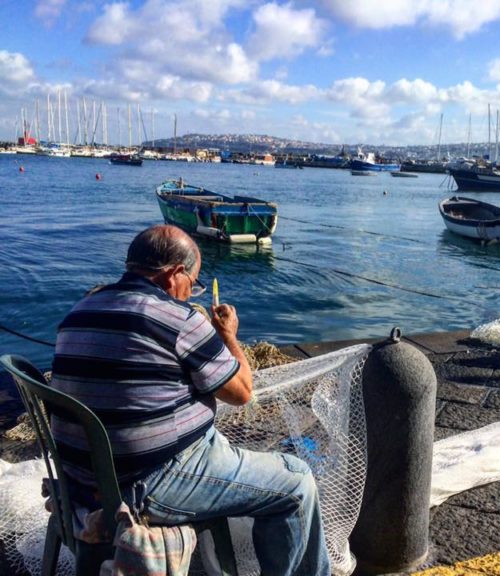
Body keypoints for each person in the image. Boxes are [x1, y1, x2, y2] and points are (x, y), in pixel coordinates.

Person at [51, 224, 330, 576]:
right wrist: (229, 336)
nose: (190, 293)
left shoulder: (80, 311)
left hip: (81, 476)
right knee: (297, 481)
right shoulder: (177, 319)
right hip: (148, 481)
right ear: (175, 273)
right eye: (193, 283)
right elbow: (241, 392)